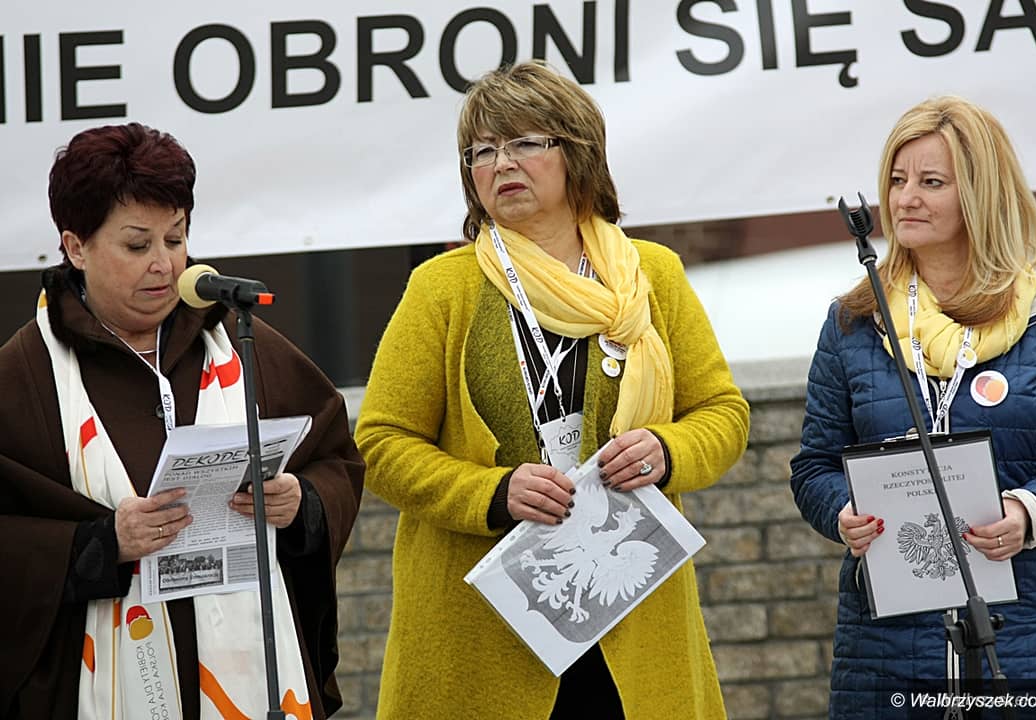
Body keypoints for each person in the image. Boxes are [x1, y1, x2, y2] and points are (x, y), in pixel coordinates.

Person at [354, 61, 749, 719]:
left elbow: (723, 413)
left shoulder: (652, 276)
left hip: (630, 612)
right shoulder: (442, 288)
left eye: (523, 142)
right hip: (484, 628)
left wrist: (667, 450)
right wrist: (492, 492)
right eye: (482, 151)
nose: (501, 163)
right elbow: (381, 442)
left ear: (577, 153)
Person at [0, 123, 364, 719]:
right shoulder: (26, 375)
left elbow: (336, 459)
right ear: (75, 247)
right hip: (101, 673)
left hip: (250, 666)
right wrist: (99, 545)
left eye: (176, 238)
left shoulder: (238, 341)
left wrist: (302, 503)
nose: (165, 265)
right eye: (137, 245)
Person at [790, 96, 1036, 718]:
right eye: (897, 181)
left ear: (981, 191)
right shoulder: (854, 321)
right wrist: (842, 512)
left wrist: (1029, 511)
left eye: (931, 182)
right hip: (889, 655)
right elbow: (813, 467)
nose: (905, 199)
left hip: (1033, 642)